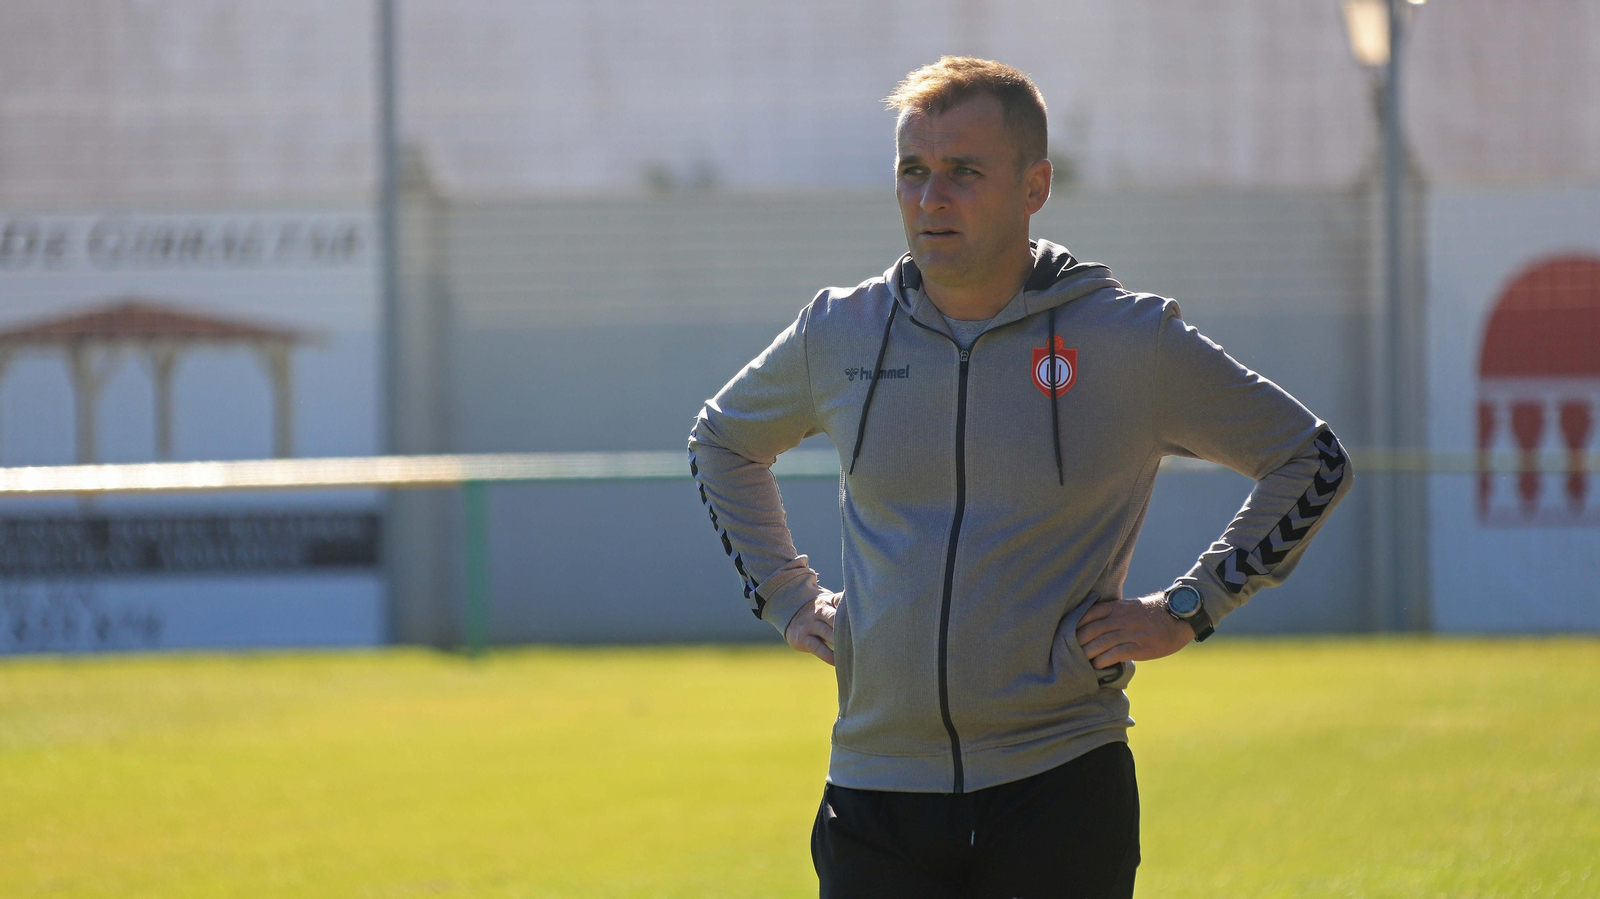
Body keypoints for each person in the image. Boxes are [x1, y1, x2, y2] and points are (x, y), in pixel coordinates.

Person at [687, 56, 1353, 899]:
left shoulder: (1127, 339)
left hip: (1061, 785)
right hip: (874, 791)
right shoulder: (840, 332)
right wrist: (787, 596)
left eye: (964, 172)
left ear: (1035, 185)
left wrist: (1190, 607)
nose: (932, 199)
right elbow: (722, 441)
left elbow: (1311, 460)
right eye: (913, 172)